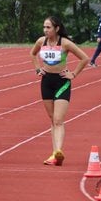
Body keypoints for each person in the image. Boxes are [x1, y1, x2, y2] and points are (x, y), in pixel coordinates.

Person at [30, 16, 90, 165]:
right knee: (52, 120)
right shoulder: (41, 41)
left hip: (62, 82)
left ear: (57, 28)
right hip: (46, 82)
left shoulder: (65, 43)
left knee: (58, 120)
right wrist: (38, 69)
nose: (45, 30)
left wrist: (74, 74)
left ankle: (58, 152)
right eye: (44, 27)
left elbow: (84, 58)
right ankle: (55, 154)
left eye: (48, 27)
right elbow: (32, 54)